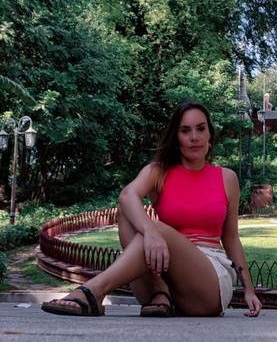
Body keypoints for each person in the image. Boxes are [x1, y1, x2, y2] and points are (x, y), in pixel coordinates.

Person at [42, 101, 262, 318]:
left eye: (200, 129)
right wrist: (150, 233)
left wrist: (249, 290)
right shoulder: (159, 172)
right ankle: (160, 296)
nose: (194, 137)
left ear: (210, 135)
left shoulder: (226, 178)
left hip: (208, 281)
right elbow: (127, 196)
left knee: (155, 227)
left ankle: (92, 292)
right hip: (165, 275)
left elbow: (231, 237)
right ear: (177, 138)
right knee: (127, 214)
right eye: (185, 130)